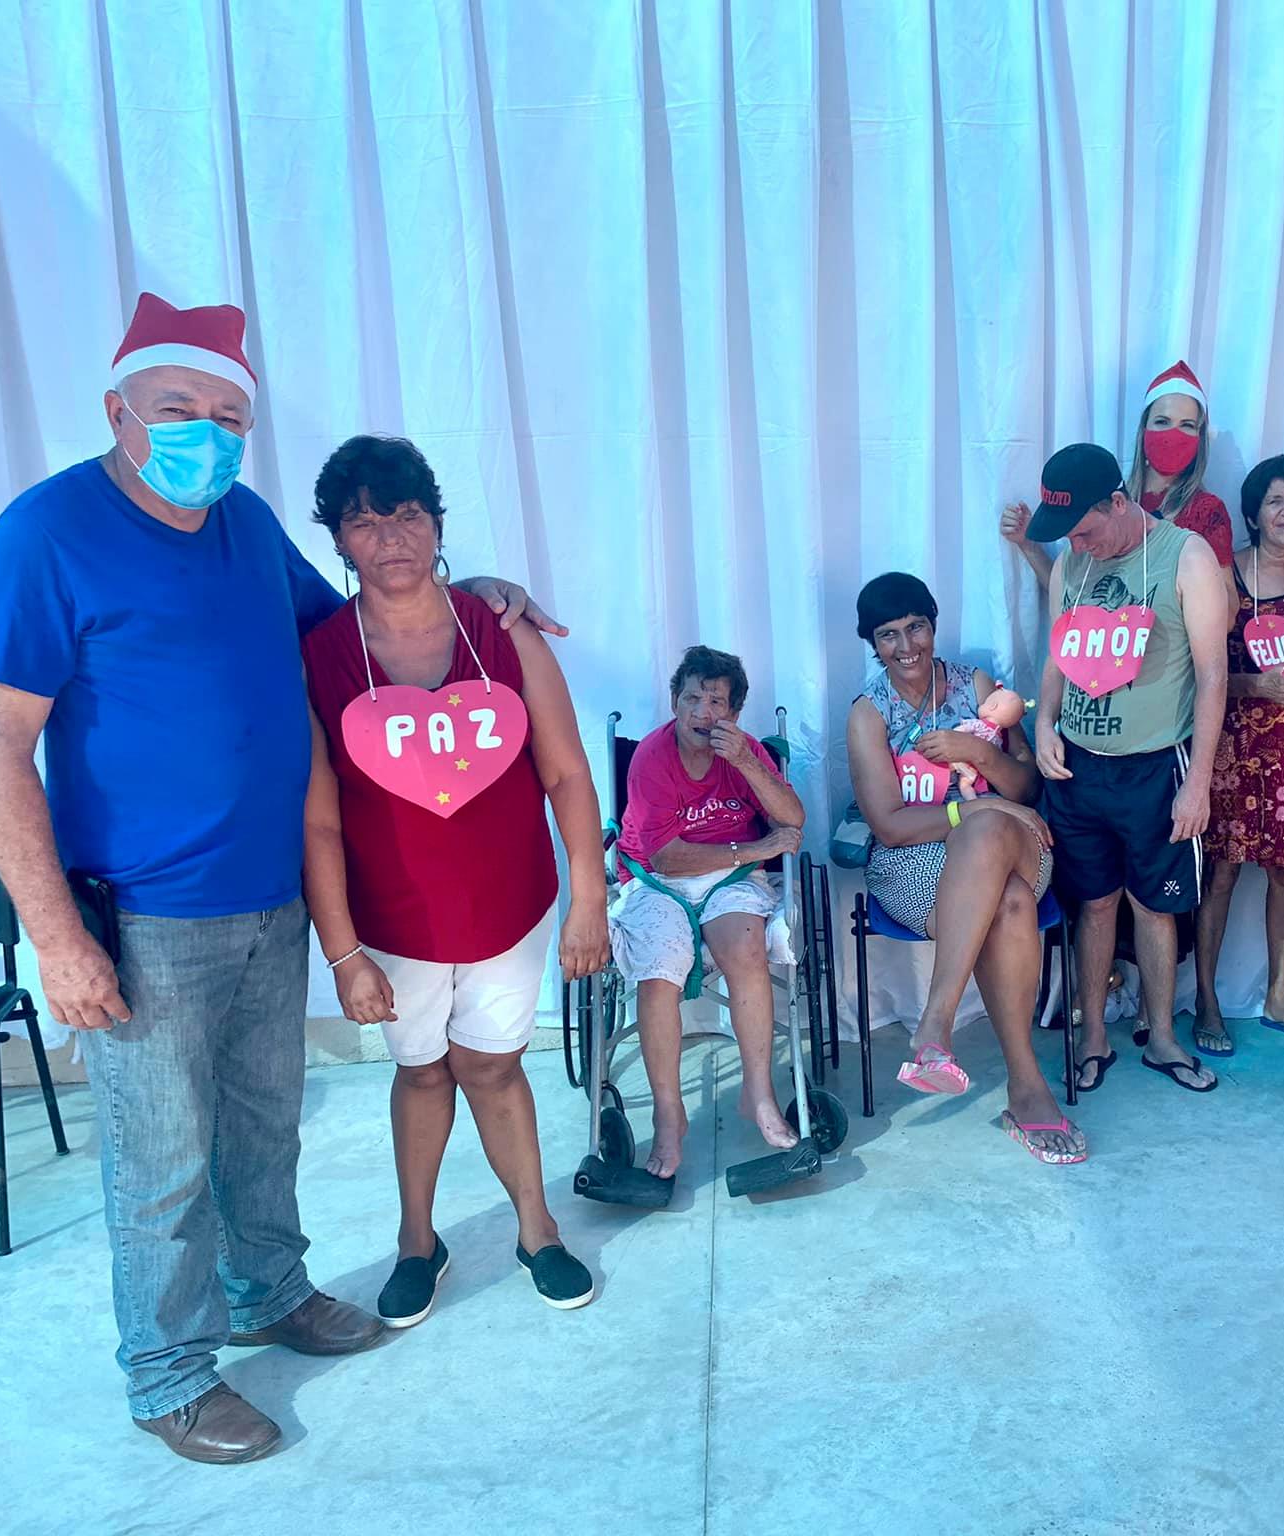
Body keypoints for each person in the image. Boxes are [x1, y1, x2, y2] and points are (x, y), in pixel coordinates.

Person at [0, 293, 551, 1464]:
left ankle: (267, 1291)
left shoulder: (244, 522)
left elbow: (359, 630)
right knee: (162, 1161)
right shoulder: (46, 534)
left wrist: (477, 589)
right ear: (117, 410)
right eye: (179, 408)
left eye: (229, 416)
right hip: (142, 915)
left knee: (263, 1127)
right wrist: (56, 939)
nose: (207, 433)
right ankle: (169, 1375)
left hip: (271, 895)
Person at [300, 435, 606, 1322]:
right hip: (393, 923)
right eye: (364, 521)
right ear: (339, 540)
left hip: (510, 906)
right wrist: (343, 953)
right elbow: (318, 818)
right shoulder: (319, 655)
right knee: (423, 1072)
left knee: (493, 1067)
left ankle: (538, 1232)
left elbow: (568, 773)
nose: (389, 537)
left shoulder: (501, 632)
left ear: (437, 525)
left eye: (406, 516)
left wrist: (588, 898)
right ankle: (417, 1243)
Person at [844, 573, 1084, 1164]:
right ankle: (1027, 1087)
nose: (906, 646)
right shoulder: (868, 714)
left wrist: (977, 754)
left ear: (933, 623)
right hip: (914, 861)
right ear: (871, 643)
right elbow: (890, 826)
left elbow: (1027, 787)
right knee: (1009, 902)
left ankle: (935, 1024)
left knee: (991, 831)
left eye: (916, 627)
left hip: (1016, 841)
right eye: (888, 634)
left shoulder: (973, 684)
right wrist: (974, 808)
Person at [1029, 443, 1229, 1094]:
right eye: (1068, 535)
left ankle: (1162, 1038)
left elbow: (1213, 675)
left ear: (1118, 502)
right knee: (1093, 904)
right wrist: (1043, 724)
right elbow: (1057, 654)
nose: (1077, 544)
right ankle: (1093, 1037)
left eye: (1084, 530)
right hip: (1079, 769)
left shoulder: (1186, 557)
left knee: (1154, 908)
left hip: (1155, 767)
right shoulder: (1071, 563)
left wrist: (1197, 783)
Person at [609, 647, 806, 1180]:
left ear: (734, 713)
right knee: (659, 972)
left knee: (745, 951)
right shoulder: (652, 758)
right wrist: (756, 849)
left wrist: (747, 762)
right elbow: (667, 858)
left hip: (729, 879)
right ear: (674, 701)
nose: (702, 712)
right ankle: (669, 1115)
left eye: (716, 702)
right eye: (692, 698)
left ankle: (758, 1095)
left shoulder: (745, 751)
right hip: (658, 878)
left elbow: (793, 819)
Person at [1193, 455, 1284, 1057]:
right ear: (1253, 513)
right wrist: (1261, 685)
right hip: (1235, 747)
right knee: (1221, 874)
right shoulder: (1227, 575)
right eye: (1276, 500)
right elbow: (1200, 673)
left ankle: (1279, 996)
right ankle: (1206, 1000)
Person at [1001, 361, 1237, 609]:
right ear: (1144, 428)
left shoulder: (1207, 512)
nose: (1173, 435)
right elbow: (1068, 593)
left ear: (1200, 437)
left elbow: (1228, 611)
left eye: (1187, 425)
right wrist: (1029, 545)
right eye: (1162, 421)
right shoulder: (1105, 497)